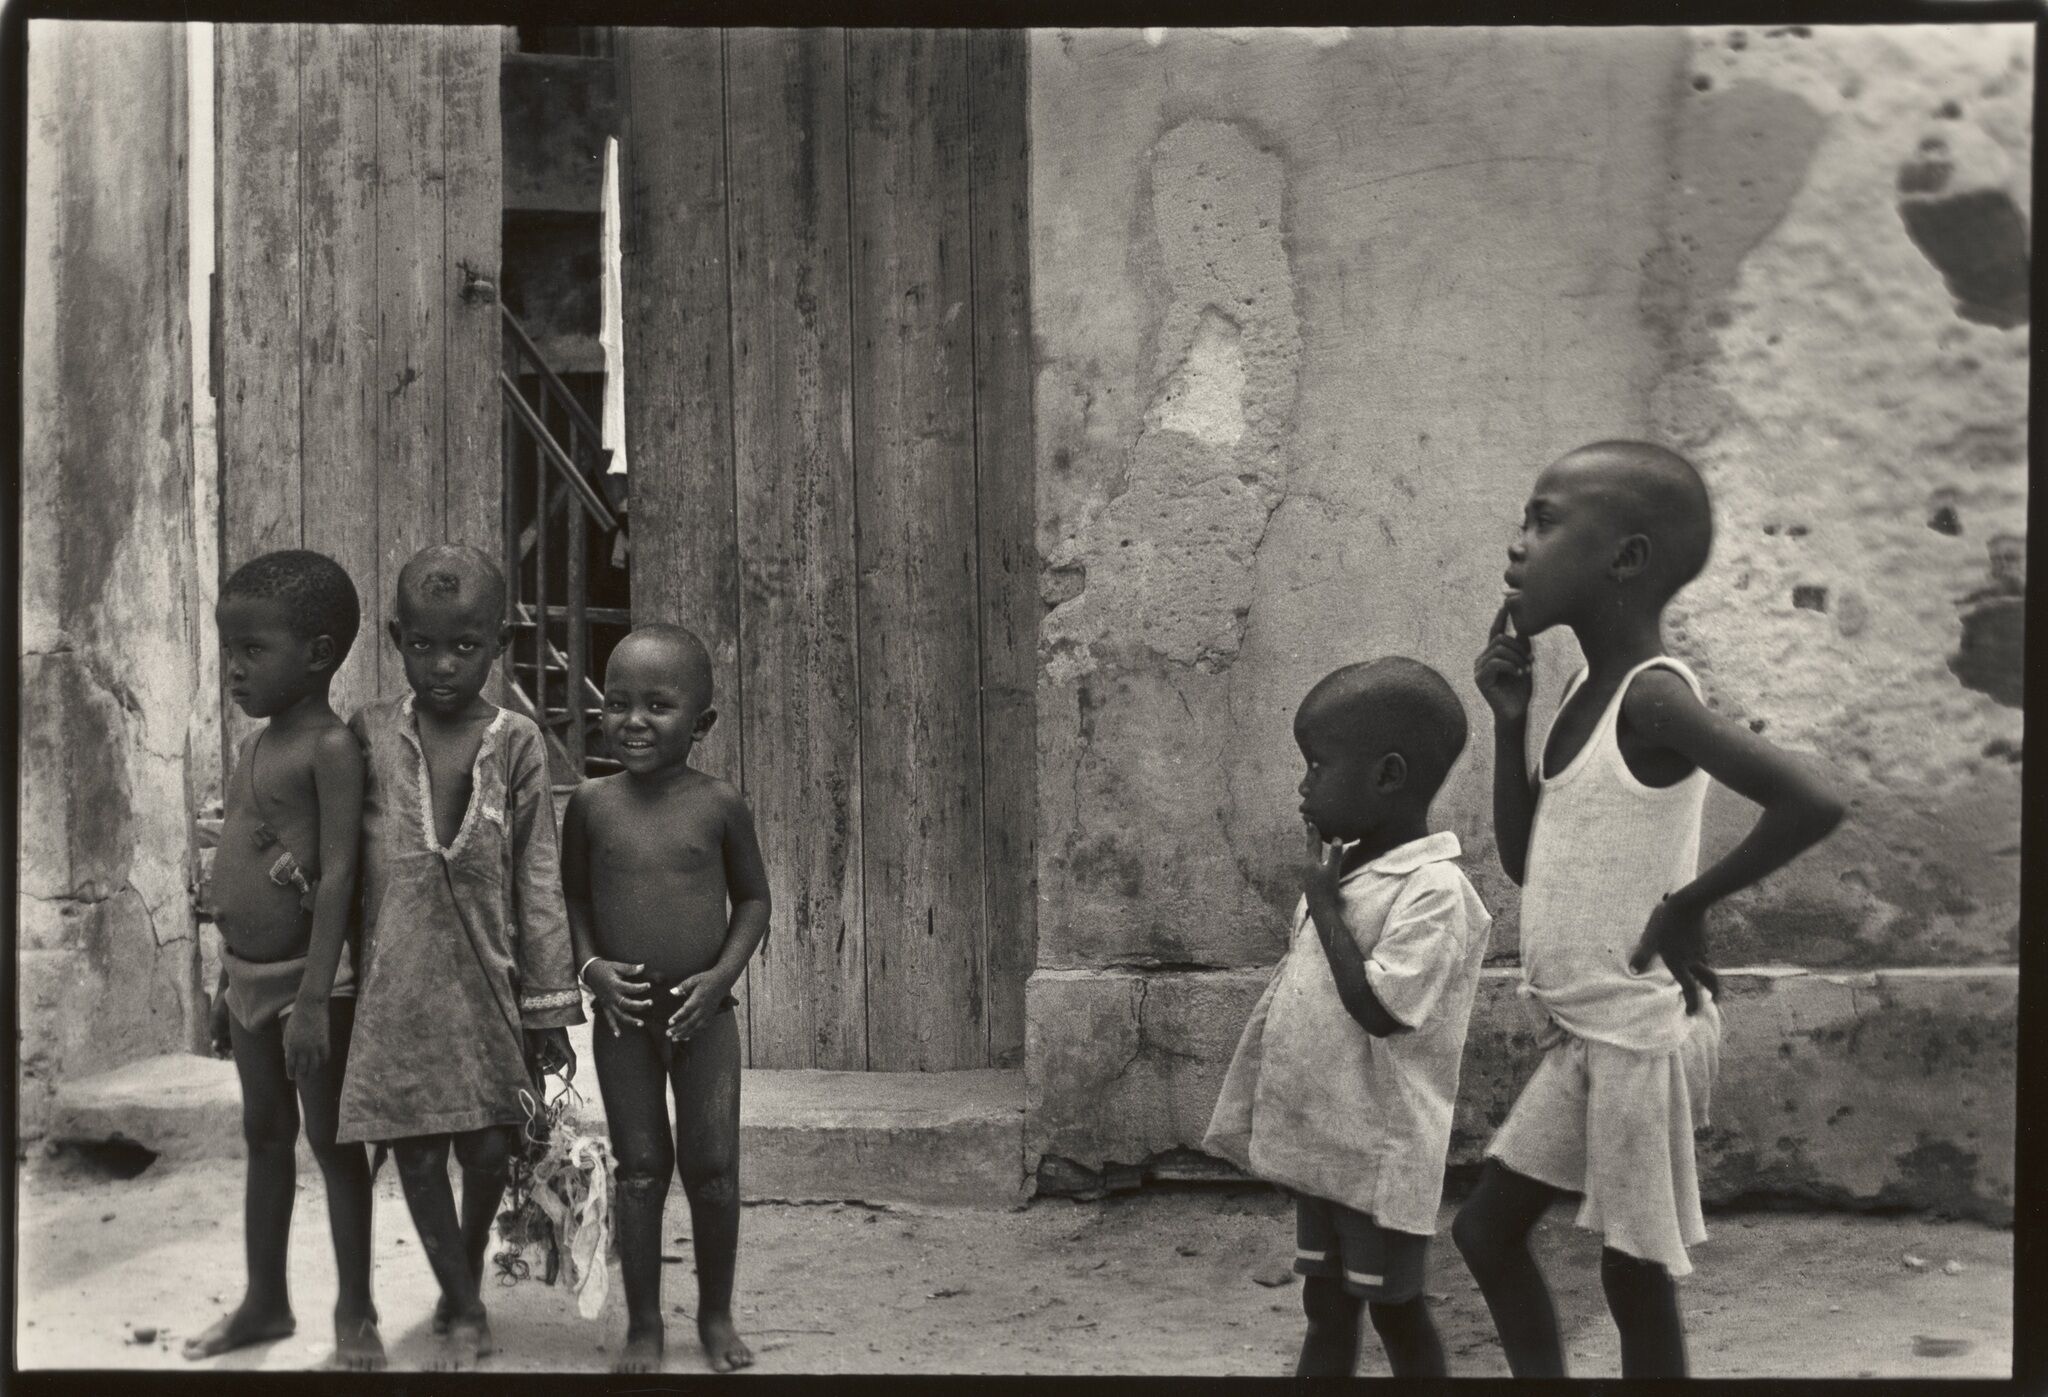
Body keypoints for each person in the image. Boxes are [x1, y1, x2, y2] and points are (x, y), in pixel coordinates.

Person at [1455, 440, 1845, 1377]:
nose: (1517, 546)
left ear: (1624, 559)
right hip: (1588, 1036)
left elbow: (1813, 800)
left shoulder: (1652, 699)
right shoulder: (1585, 692)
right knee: (1485, 1234)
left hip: (1635, 1043)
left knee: (1633, 1279)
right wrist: (1510, 725)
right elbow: (1526, 858)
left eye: (1544, 522)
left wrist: (1688, 904)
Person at [1204, 658, 1491, 1377]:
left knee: (1395, 1311)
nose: (1303, 786)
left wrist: (1325, 907)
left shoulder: (1435, 891)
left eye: (1318, 765)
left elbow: (1382, 1009)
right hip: (1329, 1150)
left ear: (1387, 776)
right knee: (1326, 1308)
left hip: (1381, 1158)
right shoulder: (1345, 874)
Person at [334, 544, 584, 1371]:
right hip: (396, 985)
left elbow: (538, 879)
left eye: (466, 646)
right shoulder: (367, 732)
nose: (444, 665)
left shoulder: (517, 743)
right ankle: (465, 1302)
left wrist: (550, 1005)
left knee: (487, 1149)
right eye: (424, 646)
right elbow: (334, 858)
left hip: (490, 979)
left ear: (499, 643)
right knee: (415, 1144)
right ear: (398, 638)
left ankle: (462, 1270)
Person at [186, 550, 383, 1370]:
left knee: (333, 1145)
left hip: (308, 983)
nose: (233, 668)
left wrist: (311, 999)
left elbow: (341, 872)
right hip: (246, 978)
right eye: (228, 649)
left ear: (319, 652)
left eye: (252, 650)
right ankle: (265, 1301)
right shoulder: (256, 743)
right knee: (265, 1135)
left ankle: (357, 1313)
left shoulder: (329, 747)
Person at [562, 623, 771, 1373]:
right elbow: (576, 899)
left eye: (657, 705)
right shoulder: (590, 803)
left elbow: (753, 901)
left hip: (705, 1017)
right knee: (641, 1167)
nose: (634, 721)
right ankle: (644, 1323)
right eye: (617, 703)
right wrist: (591, 971)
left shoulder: (719, 804)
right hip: (624, 1020)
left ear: (702, 723)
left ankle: (715, 1315)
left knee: (713, 1168)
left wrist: (721, 978)